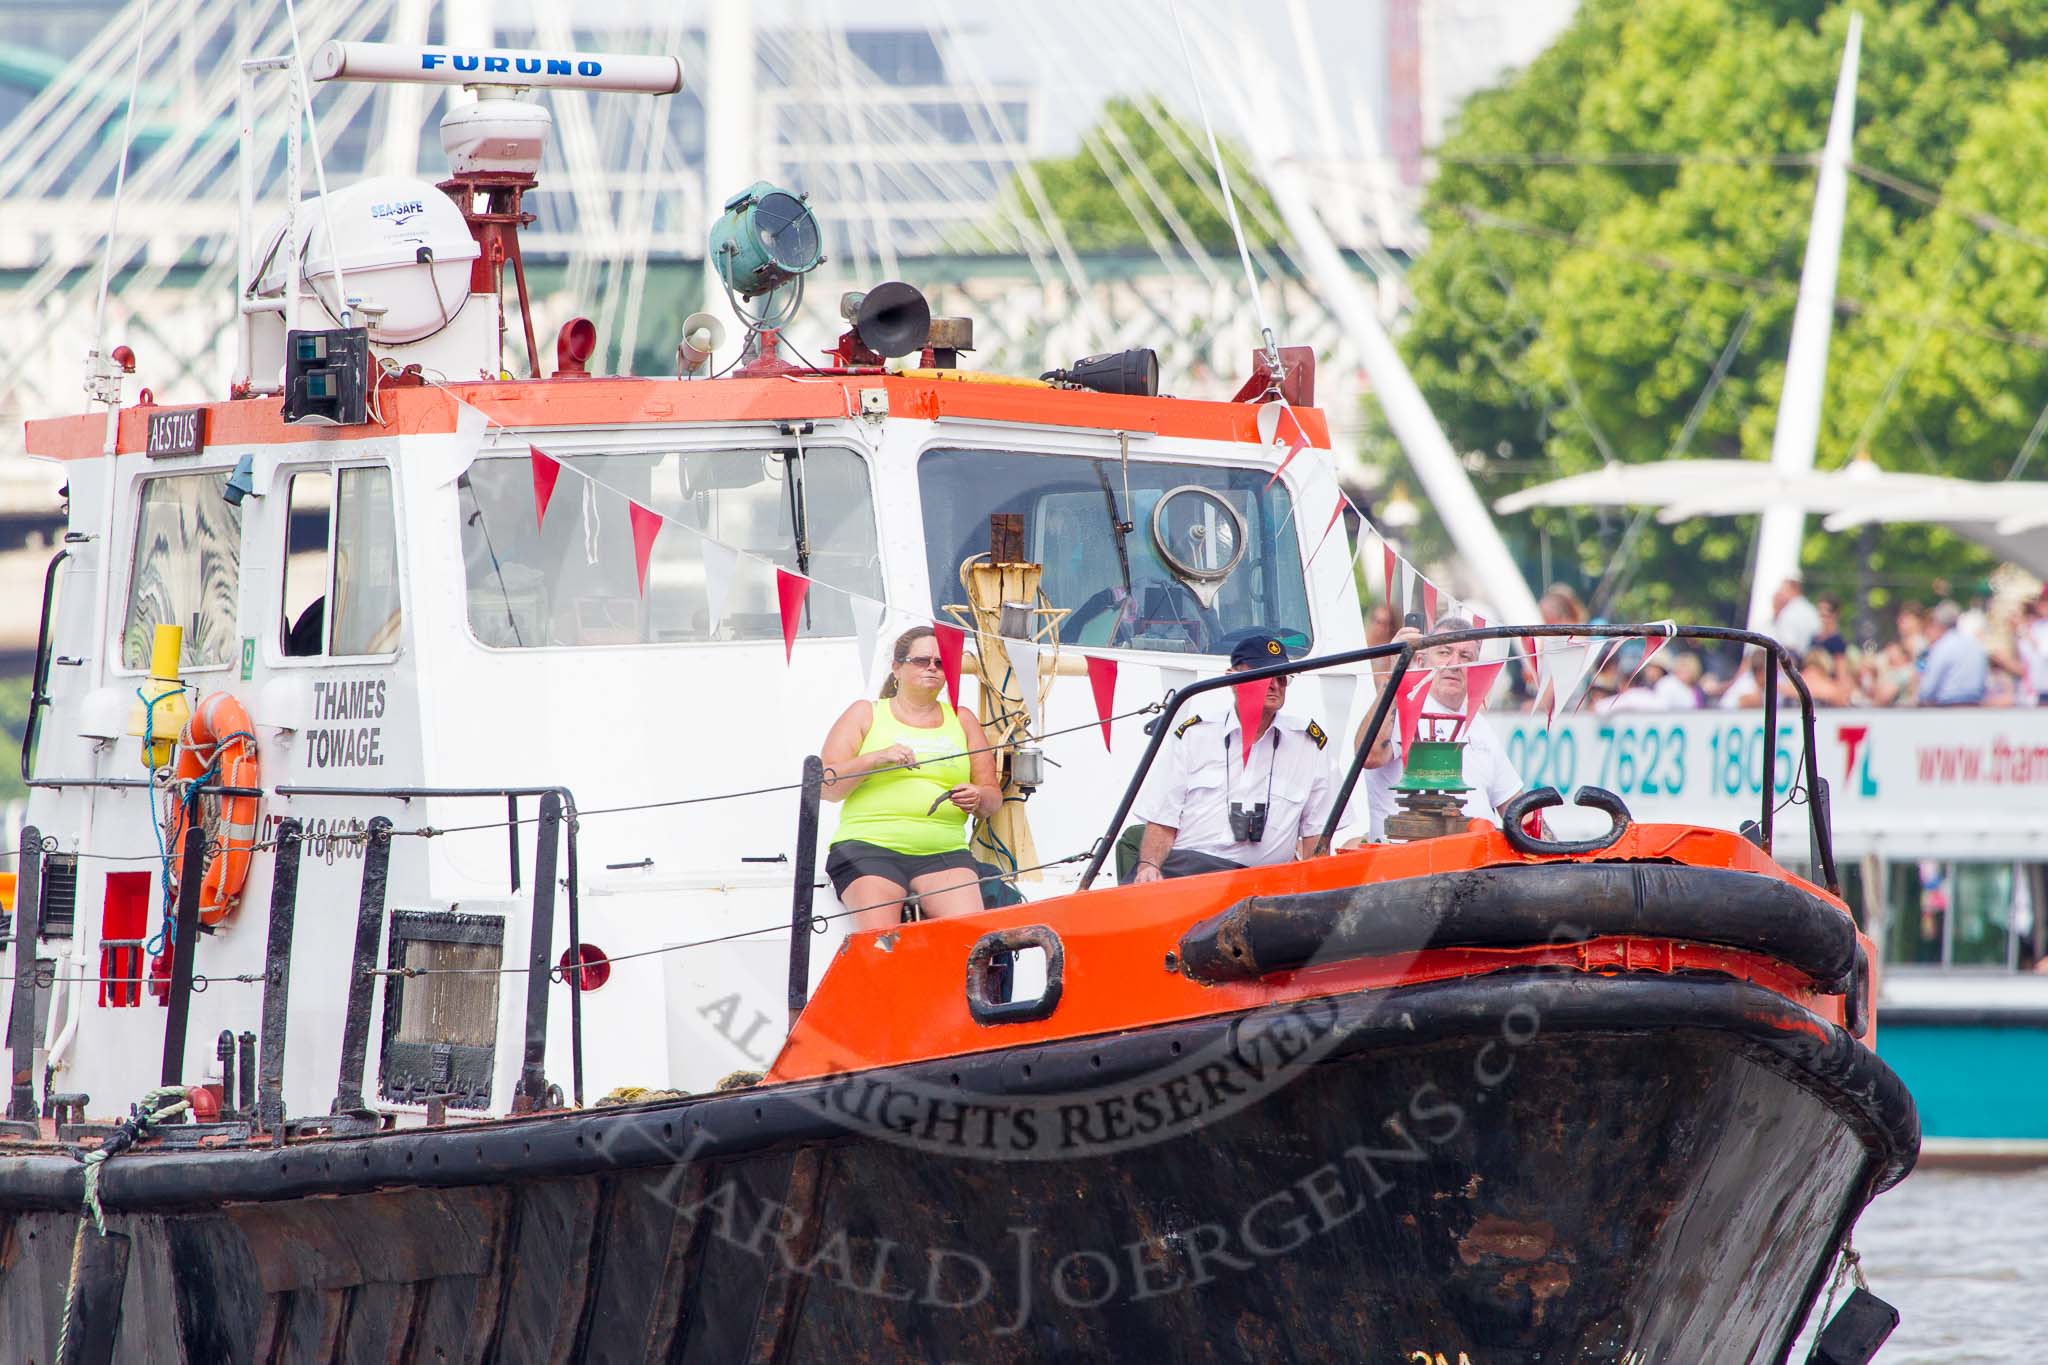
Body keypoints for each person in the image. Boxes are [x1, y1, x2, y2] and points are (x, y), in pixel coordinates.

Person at [819, 628, 1003, 930]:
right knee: (880, 940)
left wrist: (978, 796)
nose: (932, 667)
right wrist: (876, 758)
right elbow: (827, 788)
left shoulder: (963, 719)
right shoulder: (866, 713)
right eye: (921, 660)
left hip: (943, 852)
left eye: (940, 663)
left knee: (971, 939)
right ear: (897, 668)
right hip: (869, 848)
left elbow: (993, 799)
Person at [1127, 634, 1335, 882]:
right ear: (1232, 679)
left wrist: (1316, 892)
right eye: (1263, 676)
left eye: (1281, 677)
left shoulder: (1308, 744)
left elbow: (1317, 836)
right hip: (1192, 876)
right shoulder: (1195, 735)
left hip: (1264, 888)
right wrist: (1149, 867)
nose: (1274, 685)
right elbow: (1162, 819)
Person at [1348, 617, 1523, 841]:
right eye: (1444, 652)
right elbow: (1368, 755)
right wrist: (1395, 677)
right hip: (1406, 863)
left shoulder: (1480, 727)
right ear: (1421, 661)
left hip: (1475, 865)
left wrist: (1559, 852)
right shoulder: (1402, 708)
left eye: (1465, 656)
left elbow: (1517, 809)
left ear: (1476, 668)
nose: (1454, 664)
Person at [1917, 600, 1989, 706]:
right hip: (1975, 706)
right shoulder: (1975, 644)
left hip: (1948, 707)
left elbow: (1928, 690)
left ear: (1937, 623)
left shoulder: (1942, 646)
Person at [1770, 574, 1822, 656]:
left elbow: (1788, 646)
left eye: (1783, 590)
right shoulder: (1811, 610)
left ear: (1793, 590)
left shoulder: (1788, 613)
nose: (1781, 594)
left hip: (1794, 660)